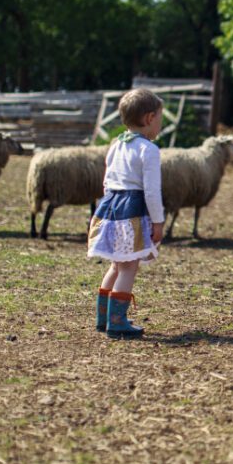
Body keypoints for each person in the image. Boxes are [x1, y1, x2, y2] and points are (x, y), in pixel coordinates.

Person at [88, 89, 165, 338]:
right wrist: (158, 222)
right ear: (149, 118)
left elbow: (107, 181)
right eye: (160, 120)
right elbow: (152, 192)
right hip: (131, 211)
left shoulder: (116, 144)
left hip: (110, 207)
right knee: (129, 266)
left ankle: (103, 318)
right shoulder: (149, 150)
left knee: (116, 264)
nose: (160, 125)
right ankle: (117, 322)